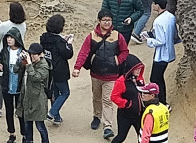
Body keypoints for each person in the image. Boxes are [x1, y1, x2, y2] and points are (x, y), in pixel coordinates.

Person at [72, 9, 129, 138]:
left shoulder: (117, 36)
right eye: (104, 20)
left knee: (107, 100)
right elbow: (84, 52)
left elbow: (125, 51)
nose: (107, 22)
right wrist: (77, 67)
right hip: (96, 75)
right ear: (99, 21)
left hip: (112, 75)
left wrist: (116, 61)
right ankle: (96, 116)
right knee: (97, 98)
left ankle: (107, 126)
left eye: (109, 20)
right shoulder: (91, 36)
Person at [0, 3, 28, 119]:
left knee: (1, 82)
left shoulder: (5, 25)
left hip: (4, 56)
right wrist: (1, 25)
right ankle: (17, 108)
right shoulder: (23, 25)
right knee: (17, 81)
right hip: (18, 55)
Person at [39, 15, 73, 125]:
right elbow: (67, 54)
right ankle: (52, 112)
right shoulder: (59, 41)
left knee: (55, 93)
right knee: (65, 92)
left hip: (48, 69)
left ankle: (57, 117)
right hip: (59, 71)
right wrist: (69, 44)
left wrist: (63, 41)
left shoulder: (44, 38)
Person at [141, 0, 175, 105]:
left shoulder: (158, 21)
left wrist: (148, 40)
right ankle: (163, 101)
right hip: (169, 52)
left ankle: (161, 102)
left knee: (155, 78)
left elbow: (160, 41)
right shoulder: (170, 16)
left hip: (161, 55)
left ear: (157, 5)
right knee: (159, 78)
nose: (152, 5)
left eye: (154, 3)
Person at [0, 28, 28, 143]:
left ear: (17, 39)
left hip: (20, 87)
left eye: (11, 38)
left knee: (20, 111)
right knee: (8, 110)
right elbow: (1, 66)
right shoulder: (4, 52)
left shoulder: (23, 52)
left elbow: (26, 67)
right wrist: (0, 68)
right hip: (6, 85)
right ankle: (12, 133)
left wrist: (24, 61)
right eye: (8, 37)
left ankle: (24, 134)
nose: (9, 40)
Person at [18, 43, 52, 143]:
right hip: (27, 98)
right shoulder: (29, 62)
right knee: (27, 124)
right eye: (30, 53)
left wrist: (28, 64)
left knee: (40, 126)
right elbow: (17, 70)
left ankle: (45, 141)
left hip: (38, 100)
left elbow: (36, 77)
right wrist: (20, 61)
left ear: (41, 54)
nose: (32, 56)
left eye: (34, 54)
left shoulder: (44, 66)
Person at [109, 53, 146, 143]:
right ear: (130, 69)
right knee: (121, 137)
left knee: (142, 137)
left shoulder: (140, 80)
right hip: (125, 116)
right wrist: (126, 104)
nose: (139, 70)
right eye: (136, 68)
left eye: (139, 68)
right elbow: (114, 97)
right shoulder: (121, 81)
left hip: (139, 115)